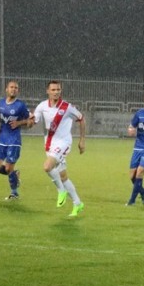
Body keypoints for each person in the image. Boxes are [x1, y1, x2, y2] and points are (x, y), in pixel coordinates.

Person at [32, 80, 86, 217]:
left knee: (47, 167)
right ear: (48, 91)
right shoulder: (42, 106)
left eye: (58, 89)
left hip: (63, 143)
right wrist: (27, 120)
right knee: (63, 177)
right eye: (53, 90)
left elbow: (81, 119)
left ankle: (61, 190)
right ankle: (78, 203)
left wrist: (82, 140)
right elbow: (33, 121)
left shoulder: (67, 107)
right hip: (49, 145)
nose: (56, 92)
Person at [0, 80, 33, 200]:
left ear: (18, 91)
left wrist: (19, 123)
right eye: (11, 87)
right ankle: (14, 174)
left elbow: (31, 121)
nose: (13, 89)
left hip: (14, 141)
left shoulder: (20, 105)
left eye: (16, 88)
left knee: (7, 168)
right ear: (6, 89)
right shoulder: (1, 103)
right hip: (1, 140)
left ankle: (14, 193)